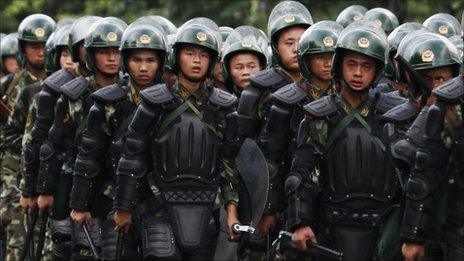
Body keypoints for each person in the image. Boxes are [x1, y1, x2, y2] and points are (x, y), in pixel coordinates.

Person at [112, 21, 238, 260]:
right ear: (176, 56)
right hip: (159, 207)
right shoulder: (155, 102)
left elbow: (228, 163)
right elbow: (132, 156)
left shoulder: (224, 106)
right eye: (190, 53)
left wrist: (232, 212)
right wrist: (124, 208)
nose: (197, 60)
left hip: (207, 208)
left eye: (203, 55)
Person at [287, 21, 407, 261]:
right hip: (331, 226)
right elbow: (302, 172)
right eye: (351, 64)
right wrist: (300, 222)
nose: (358, 73)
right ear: (339, 65)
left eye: (366, 65)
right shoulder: (319, 114)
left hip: (385, 227)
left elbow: (412, 176)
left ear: (378, 70)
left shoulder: (395, 114)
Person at [70, 22, 167, 260]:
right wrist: (80, 206)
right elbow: (88, 155)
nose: (144, 67)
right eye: (136, 60)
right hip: (113, 197)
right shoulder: (109, 101)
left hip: (160, 201)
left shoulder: (170, 100)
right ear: (126, 61)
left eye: (151, 60)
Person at [0, 13, 55, 260]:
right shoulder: (10, 85)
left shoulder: (65, 84)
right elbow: (6, 134)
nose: (40, 52)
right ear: (24, 48)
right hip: (15, 169)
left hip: (52, 168)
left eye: (45, 46)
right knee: (18, 238)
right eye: (34, 46)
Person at [235, 0, 313, 141]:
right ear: (276, 47)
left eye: (301, 41)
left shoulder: (324, 83)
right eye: (289, 43)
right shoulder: (258, 90)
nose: (296, 49)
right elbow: (243, 143)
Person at [221, 25, 268, 96]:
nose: (246, 72)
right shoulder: (220, 103)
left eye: (251, 67)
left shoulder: (274, 100)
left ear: (261, 68)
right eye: (239, 67)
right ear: (228, 70)